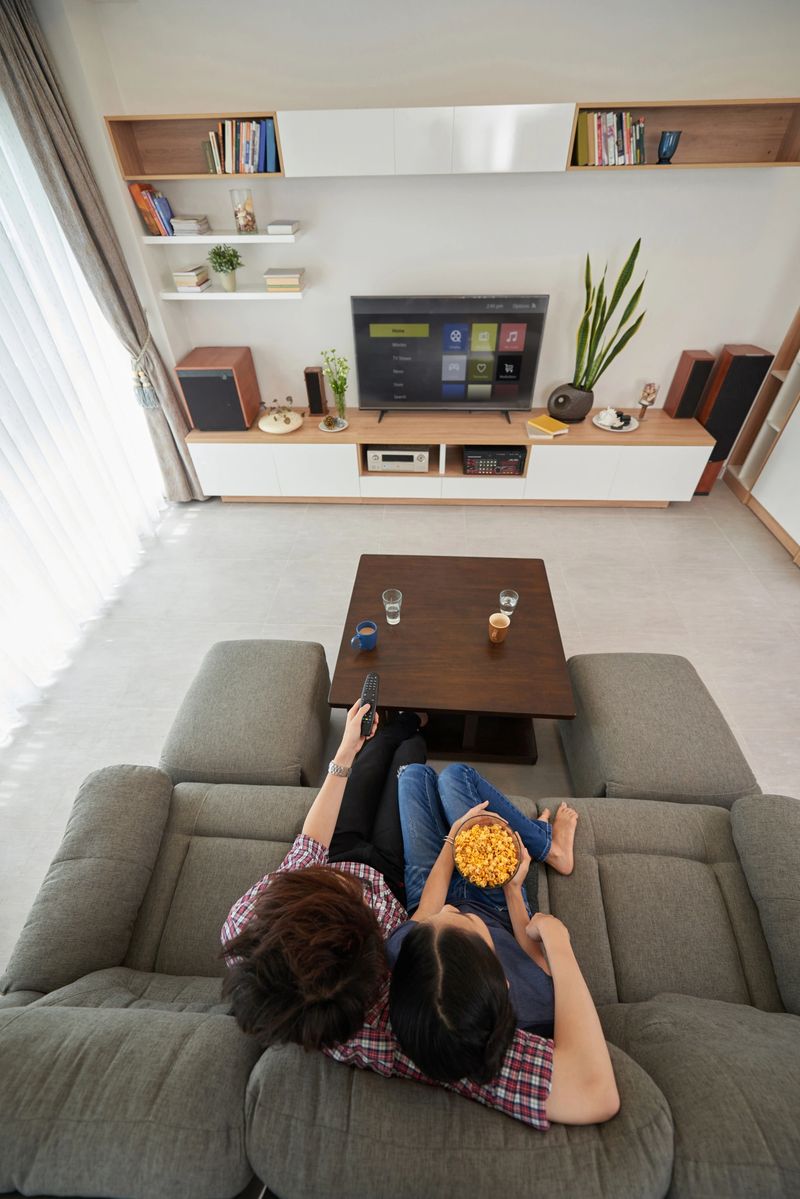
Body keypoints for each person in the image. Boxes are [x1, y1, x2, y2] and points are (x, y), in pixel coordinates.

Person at [221, 704, 618, 1129]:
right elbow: (592, 1092)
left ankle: (405, 731)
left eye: (321, 878)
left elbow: (308, 849)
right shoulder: (416, 1023)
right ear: (380, 960)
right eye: (351, 892)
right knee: (437, 775)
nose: (344, 874)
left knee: (408, 771)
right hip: (432, 888)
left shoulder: (248, 920)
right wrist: (555, 936)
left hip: (425, 879)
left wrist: (344, 755)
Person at [387, 762, 619, 1123]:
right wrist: (540, 919)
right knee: (456, 777)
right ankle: (550, 847)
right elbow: (598, 1094)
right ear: (502, 979)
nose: (449, 908)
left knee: (413, 774)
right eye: (463, 921)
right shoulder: (534, 1004)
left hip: (427, 886)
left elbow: (431, 908)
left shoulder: (408, 960)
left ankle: (536, 835)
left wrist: (453, 841)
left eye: (435, 924)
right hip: (494, 900)